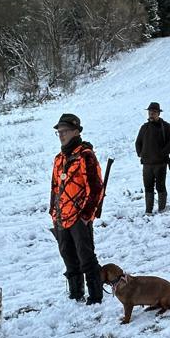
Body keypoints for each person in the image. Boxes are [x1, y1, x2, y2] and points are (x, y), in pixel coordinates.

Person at [50, 113, 104, 303]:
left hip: (79, 217)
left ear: (76, 131)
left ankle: (96, 296)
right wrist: (53, 212)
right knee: (68, 256)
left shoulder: (85, 156)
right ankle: (76, 293)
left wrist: (86, 215)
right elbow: (55, 188)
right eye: (59, 132)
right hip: (61, 216)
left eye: (64, 131)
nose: (61, 135)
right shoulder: (59, 159)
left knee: (86, 256)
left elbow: (96, 187)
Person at [134, 101, 170, 214]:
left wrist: (162, 153)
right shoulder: (144, 127)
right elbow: (138, 142)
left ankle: (162, 209)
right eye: (150, 112)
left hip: (161, 163)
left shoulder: (166, 127)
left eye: (153, 112)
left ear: (158, 113)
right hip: (147, 164)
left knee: (160, 187)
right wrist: (141, 153)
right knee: (148, 188)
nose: (151, 114)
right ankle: (148, 210)